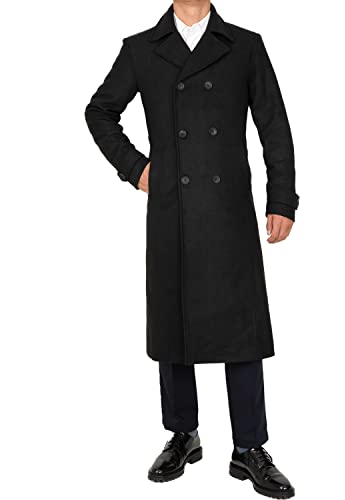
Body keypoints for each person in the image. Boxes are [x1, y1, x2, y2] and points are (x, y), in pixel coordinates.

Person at [85, 1, 299, 497]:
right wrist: (137, 169)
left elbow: (274, 124)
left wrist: (282, 199)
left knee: (242, 327)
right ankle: (183, 434)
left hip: (228, 209)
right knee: (173, 322)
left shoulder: (244, 45)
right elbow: (99, 111)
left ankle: (249, 447)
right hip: (172, 209)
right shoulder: (140, 49)